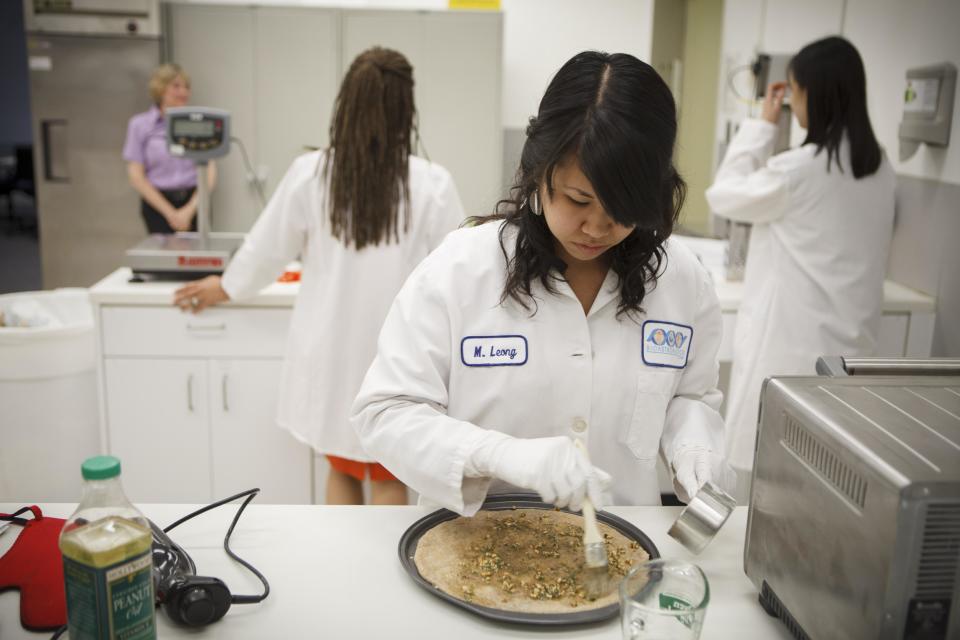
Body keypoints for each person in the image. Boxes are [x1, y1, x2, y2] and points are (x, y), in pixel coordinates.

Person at [351, 51, 734, 517]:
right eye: (578, 200)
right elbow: (386, 412)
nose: (596, 226)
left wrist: (695, 444)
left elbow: (689, 395)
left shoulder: (682, 279)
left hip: (621, 554)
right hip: (471, 558)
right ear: (539, 170)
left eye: (623, 206)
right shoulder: (460, 269)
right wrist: (496, 454)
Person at [172, 47, 465, 505]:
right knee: (390, 474)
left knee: (342, 467)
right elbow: (456, 272)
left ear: (345, 105)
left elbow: (267, 249)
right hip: (400, 358)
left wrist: (225, 286)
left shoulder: (312, 175)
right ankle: (382, 576)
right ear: (406, 110)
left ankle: (340, 572)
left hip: (333, 361)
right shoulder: (430, 183)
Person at [705, 37, 895, 482]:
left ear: (813, 93)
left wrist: (763, 126)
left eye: (795, 91)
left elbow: (724, 194)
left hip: (790, 351)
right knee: (827, 478)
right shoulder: (879, 167)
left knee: (770, 475)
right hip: (849, 351)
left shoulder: (800, 170)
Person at [123, 63, 217, 234]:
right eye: (176, 86)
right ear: (160, 89)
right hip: (158, 207)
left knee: (195, 258)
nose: (183, 92)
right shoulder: (140, 125)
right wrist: (171, 214)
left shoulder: (199, 124)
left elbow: (209, 172)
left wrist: (188, 211)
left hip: (194, 204)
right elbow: (136, 176)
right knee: (164, 258)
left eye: (186, 87)